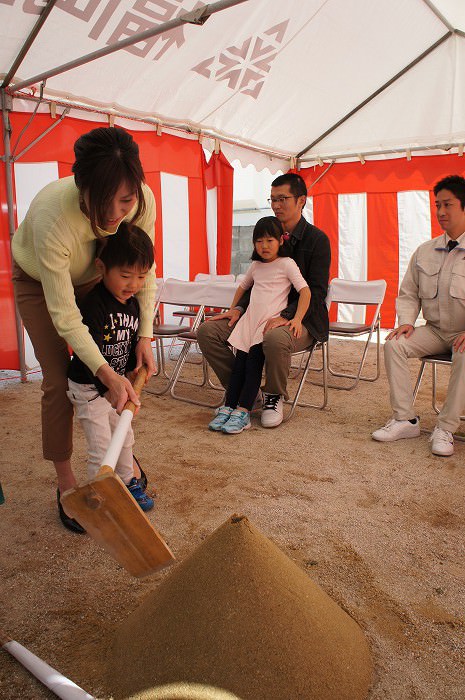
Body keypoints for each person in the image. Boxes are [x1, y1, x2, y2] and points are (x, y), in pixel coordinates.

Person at [12, 126, 157, 532]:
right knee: (61, 381)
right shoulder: (52, 216)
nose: (114, 214)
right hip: (41, 284)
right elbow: (64, 315)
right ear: (81, 187)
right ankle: (66, 485)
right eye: (101, 202)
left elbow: (144, 268)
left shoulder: (141, 202)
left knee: (118, 357)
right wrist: (106, 375)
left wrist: (144, 334)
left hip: (98, 276)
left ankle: (119, 457)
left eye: (125, 200)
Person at [197, 172, 331, 428]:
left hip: (303, 320)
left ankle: (273, 395)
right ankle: (246, 394)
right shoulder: (266, 232)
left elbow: (315, 293)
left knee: (273, 335)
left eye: (283, 199)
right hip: (256, 316)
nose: (276, 205)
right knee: (207, 332)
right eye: (272, 199)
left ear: (302, 200)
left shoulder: (317, 241)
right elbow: (252, 284)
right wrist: (237, 308)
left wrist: (287, 316)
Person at [372, 175, 465, 456]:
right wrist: (407, 322)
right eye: (437, 205)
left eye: (447, 204)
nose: (440, 212)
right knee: (394, 344)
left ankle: (446, 428)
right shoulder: (425, 251)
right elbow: (409, 292)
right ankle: (405, 419)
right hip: (435, 331)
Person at [67, 223, 155, 511]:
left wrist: (131, 373)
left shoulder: (132, 305)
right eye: (126, 275)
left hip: (117, 385)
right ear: (102, 267)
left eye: (141, 276)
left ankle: (128, 481)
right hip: (90, 388)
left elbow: (128, 344)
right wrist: (109, 387)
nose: (133, 284)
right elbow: (85, 354)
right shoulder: (94, 305)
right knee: (102, 446)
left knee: (125, 437)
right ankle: (96, 496)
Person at [208, 217, 310, 434]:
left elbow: (305, 291)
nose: (264, 246)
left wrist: (297, 318)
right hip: (249, 321)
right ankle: (229, 406)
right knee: (239, 367)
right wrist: (233, 309)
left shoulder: (287, 264)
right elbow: (242, 288)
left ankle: (243, 411)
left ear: (281, 241)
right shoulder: (255, 266)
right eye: (259, 241)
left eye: (270, 240)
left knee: (253, 367)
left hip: (267, 324)